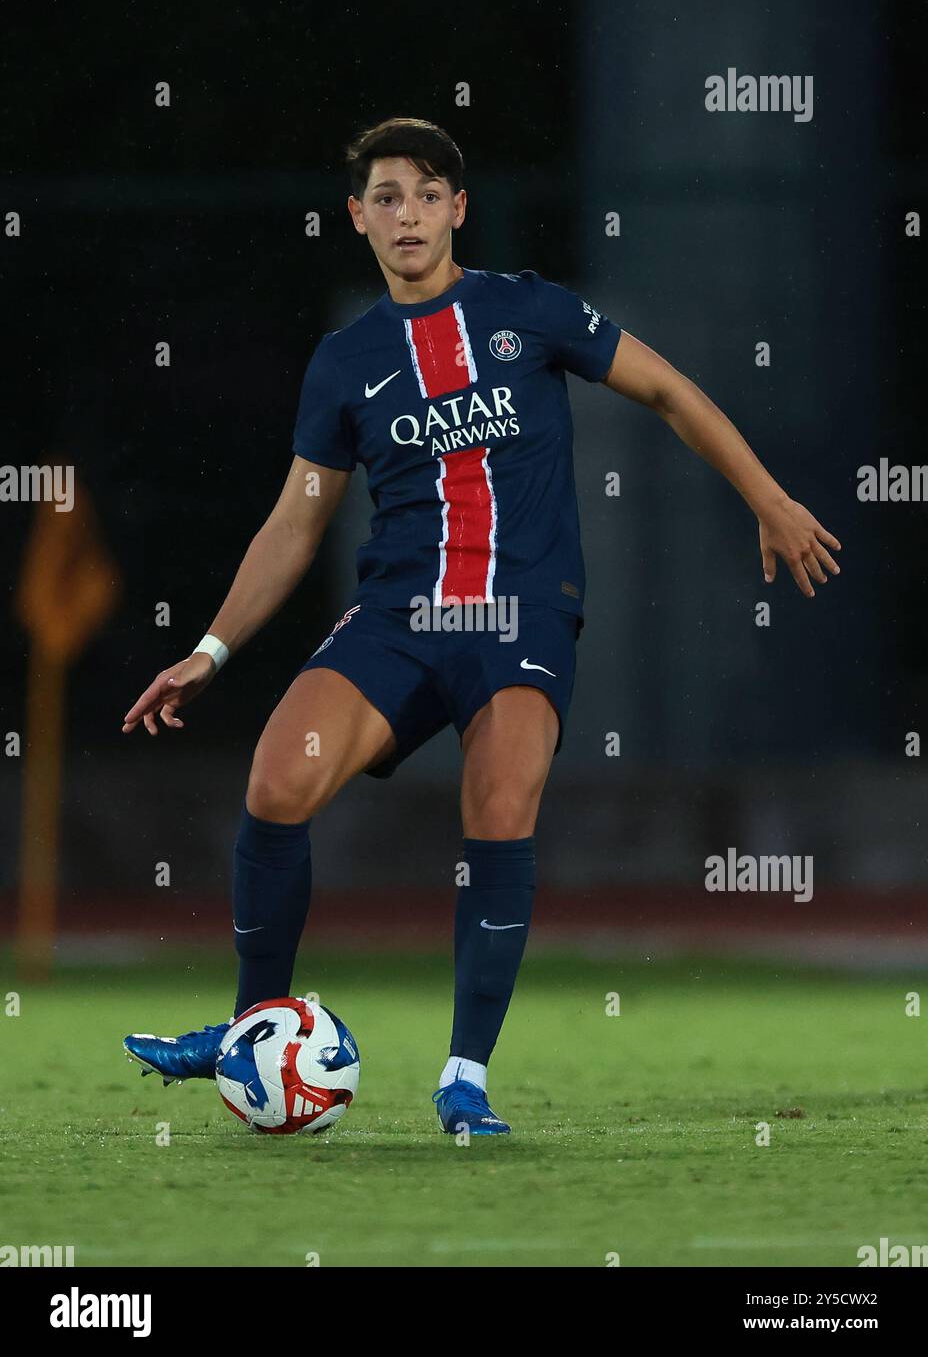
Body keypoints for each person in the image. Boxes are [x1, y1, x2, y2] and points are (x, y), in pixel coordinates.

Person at [122, 117, 841, 1136]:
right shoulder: (345, 362)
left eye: (425, 193)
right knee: (277, 779)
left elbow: (669, 390)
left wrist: (768, 498)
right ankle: (253, 1030)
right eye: (385, 195)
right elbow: (296, 519)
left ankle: (464, 1077)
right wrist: (208, 648)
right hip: (399, 618)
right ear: (356, 218)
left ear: (457, 208)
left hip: (520, 616)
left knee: (500, 804)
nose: (405, 213)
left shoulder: (525, 310)